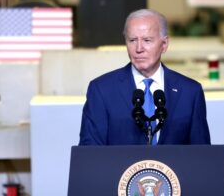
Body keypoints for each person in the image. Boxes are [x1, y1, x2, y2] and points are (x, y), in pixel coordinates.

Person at [79, 9, 210, 145]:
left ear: (164, 45)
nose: (139, 48)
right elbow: (89, 156)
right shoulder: (101, 90)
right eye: (132, 40)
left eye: (147, 40)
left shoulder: (190, 92)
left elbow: (202, 158)